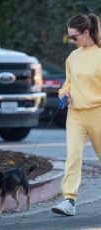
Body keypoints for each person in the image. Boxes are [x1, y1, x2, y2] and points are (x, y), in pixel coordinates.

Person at [51, 13, 101, 216]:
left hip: (98, 112)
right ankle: (69, 200)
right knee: (73, 156)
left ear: (86, 32)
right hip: (76, 114)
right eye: (68, 37)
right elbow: (68, 83)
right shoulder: (73, 57)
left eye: (74, 37)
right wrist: (64, 93)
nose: (71, 41)